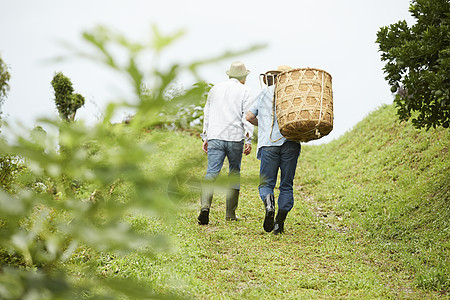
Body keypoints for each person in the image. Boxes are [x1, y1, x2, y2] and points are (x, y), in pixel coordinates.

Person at [246, 66, 301, 235]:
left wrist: (262, 124)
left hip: (269, 143)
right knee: (286, 185)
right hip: (291, 142)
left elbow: (248, 116)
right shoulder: (297, 94)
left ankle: (269, 204)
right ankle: (279, 223)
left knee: (266, 183)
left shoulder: (265, 93)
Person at [198, 61, 254, 225]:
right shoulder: (246, 91)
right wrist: (248, 138)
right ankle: (230, 214)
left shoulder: (215, 89)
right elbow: (247, 115)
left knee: (211, 172)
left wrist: (205, 136)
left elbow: (207, 112)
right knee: (234, 173)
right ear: (243, 77)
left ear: (229, 75)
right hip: (235, 137)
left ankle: (205, 206)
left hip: (215, 135)